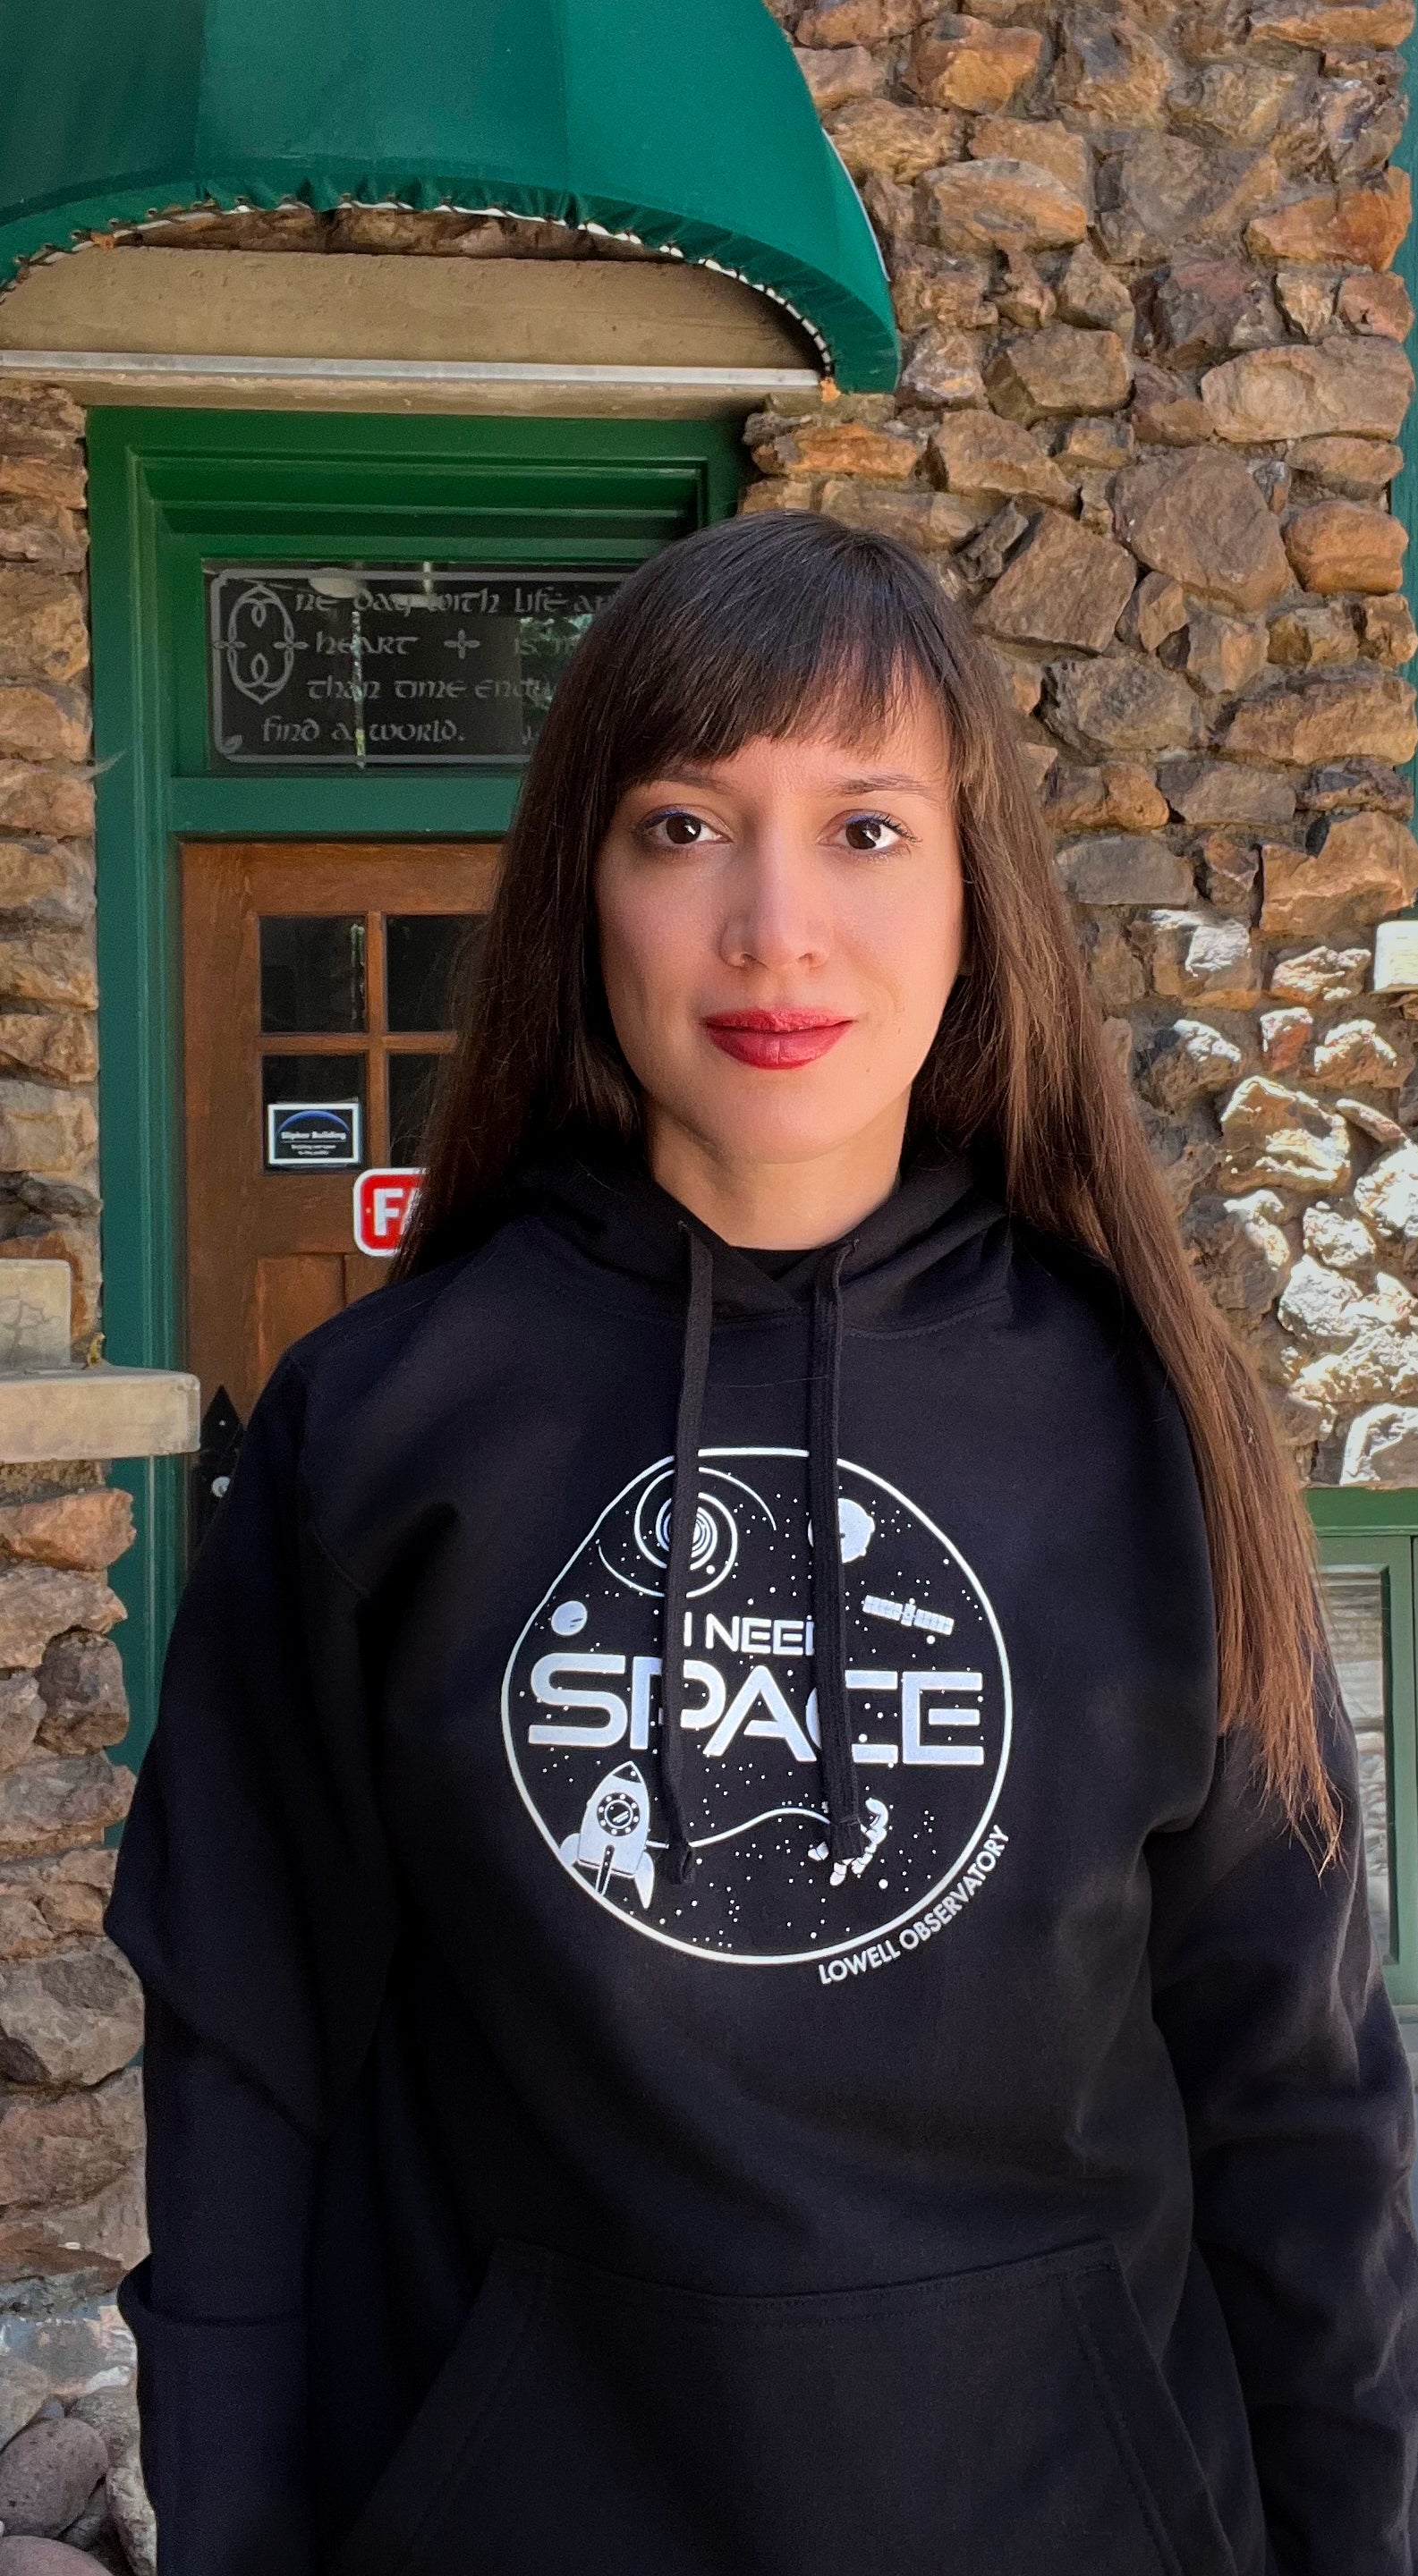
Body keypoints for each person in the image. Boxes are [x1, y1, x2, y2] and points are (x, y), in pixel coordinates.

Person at [109, 510, 1418, 2576]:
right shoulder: (380, 1431)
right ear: (583, 896)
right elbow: (249, 2059)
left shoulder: (1154, 1423)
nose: (776, 931)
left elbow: (1296, 2090)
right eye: (684, 825)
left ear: (978, 895)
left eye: (868, 831)